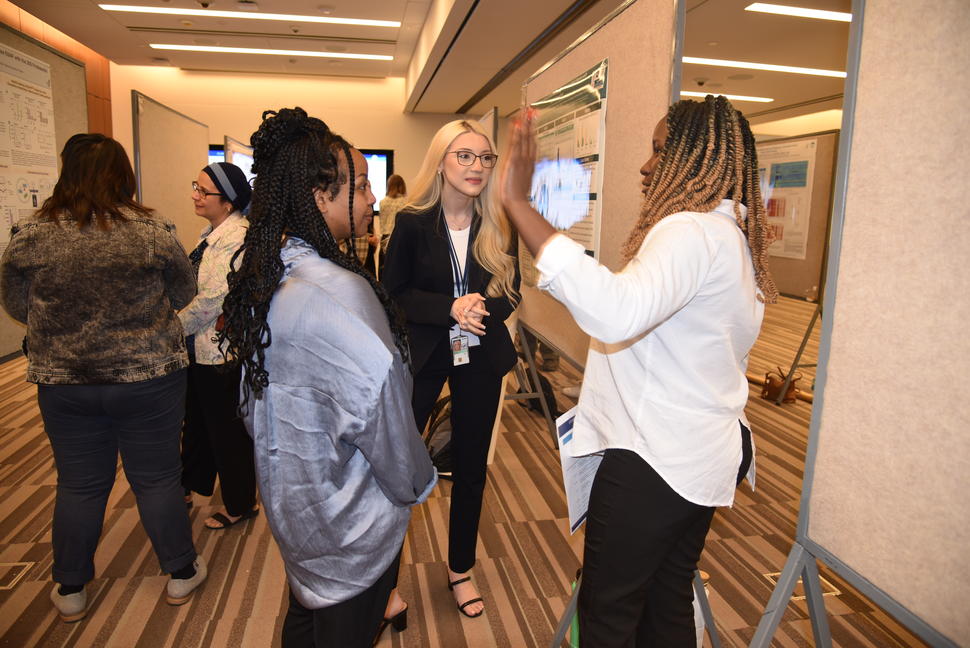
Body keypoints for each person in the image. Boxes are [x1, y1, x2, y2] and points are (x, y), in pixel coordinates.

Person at [500, 96, 778, 646]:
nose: (647, 166)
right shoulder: (732, 237)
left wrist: (518, 203)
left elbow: (616, 310)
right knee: (665, 601)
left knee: (608, 613)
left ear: (697, 159)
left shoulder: (692, 231)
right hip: (698, 458)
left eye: (660, 150)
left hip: (656, 460)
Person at [218, 107, 436, 648]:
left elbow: (250, 404)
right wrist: (415, 484)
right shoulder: (343, 294)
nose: (373, 199)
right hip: (350, 524)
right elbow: (384, 419)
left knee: (303, 620)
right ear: (320, 196)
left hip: (295, 507)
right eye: (360, 187)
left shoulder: (270, 272)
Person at [0, 133, 207, 622]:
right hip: (148, 378)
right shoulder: (152, 231)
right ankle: (181, 572)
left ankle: (70, 587)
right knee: (156, 479)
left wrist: (64, 327)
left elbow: (17, 305)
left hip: (65, 381)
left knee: (79, 484)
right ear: (123, 175)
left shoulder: (31, 234)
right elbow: (184, 294)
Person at [382, 119, 520, 621]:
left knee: (471, 468)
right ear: (441, 161)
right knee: (399, 465)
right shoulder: (413, 222)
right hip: (425, 353)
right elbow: (394, 294)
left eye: (485, 157)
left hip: (479, 352)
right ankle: (384, 580)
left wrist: (480, 307)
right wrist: (449, 308)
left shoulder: (499, 223)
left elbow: (512, 292)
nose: (476, 166)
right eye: (464, 155)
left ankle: (460, 569)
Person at [179, 161, 259, 529]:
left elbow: (213, 299)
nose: (195, 195)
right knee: (197, 422)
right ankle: (189, 485)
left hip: (221, 349)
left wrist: (171, 326)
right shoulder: (210, 232)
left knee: (226, 431)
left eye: (203, 191)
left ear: (227, 202)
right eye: (195, 187)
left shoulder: (237, 237)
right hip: (200, 347)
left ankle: (241, 503)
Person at [377, 173, 407, 273]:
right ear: (402, 186)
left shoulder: (382, 202)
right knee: (398, 270)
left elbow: (382, 222)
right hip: (399, 238)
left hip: (384, 238)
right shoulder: (405, 202)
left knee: (384, 269)